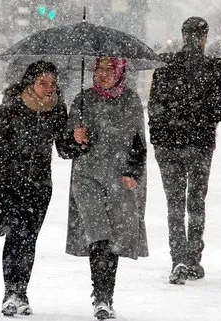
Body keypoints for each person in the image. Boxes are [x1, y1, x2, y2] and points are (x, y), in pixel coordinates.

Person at [0, 61, 69, 317]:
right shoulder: (11, 108)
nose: (49, 89)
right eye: (43, 83)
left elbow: (65, 149)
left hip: (40, 185)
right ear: (31, 83)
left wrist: (77, 139)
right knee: (16, 235)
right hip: (10, 183)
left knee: (29, 240)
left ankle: (22, 290)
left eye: (52, 84)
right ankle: (10, 291)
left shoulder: (58, 110)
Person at [61, 57, 148, 320]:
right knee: (98, 235)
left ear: (121, 71)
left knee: (113, 239)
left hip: (119, 180)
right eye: (99, 68)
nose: (104, 74)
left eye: (111, 68)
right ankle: (100, 296)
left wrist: (132, 172)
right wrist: (75, 138)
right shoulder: (82, 99)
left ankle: (106, 295)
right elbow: (65, 149)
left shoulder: (131, 101)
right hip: (87, 178)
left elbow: (139, 143)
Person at [147, 16, 221, 284]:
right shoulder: (214, 67)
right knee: (196, 202)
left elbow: (154, 106)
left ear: (183, 35)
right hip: (200, 144)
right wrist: (204, 114)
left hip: (168, 145)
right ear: (204, 37)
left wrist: (159, 137)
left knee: (174, 202)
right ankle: (194, 258)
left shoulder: (165, 64)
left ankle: (178, 258)